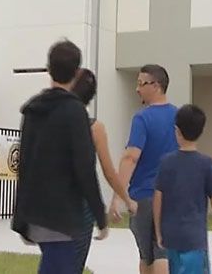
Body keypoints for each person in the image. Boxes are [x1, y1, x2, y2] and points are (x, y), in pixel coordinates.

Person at [12, 40, 107, 274]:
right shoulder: (75, 112)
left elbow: (24, 163)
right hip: (62, 213)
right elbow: (84, 167)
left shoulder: (32, 110)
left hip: (35, 211)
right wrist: (99, 214)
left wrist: (21, 215)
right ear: (76, 73)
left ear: (49, 68)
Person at [114, 64, 179, 274]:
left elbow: (131, 157)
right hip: (172, 196)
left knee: (147, 256)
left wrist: (118, 196)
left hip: (143, 196)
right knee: (164, 251)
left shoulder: (142, 119)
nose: (137, 89)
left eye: (141, 83)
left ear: (157, 85)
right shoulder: (180, 117)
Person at [70, 68, 137, 271]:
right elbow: (108, 171)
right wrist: (126, 199)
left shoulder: (50, 120)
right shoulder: (94, 128)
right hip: (81, 204)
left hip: (54, 202)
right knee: (74, 265)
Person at [153, 104, 212, 274]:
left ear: (177, 130)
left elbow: (158, 198)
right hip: (195, 238)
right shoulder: (206, 164)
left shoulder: (166, 162)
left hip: (171, 235)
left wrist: (158, 231)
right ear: (201, 131)